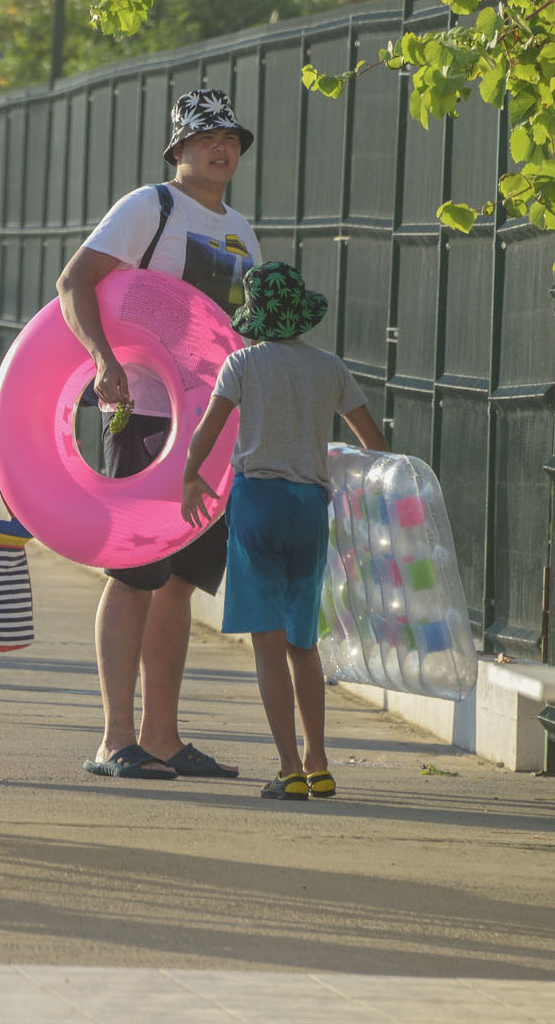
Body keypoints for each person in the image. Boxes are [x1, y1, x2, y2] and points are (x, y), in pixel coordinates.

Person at [57, 87, 259, 783]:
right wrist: (102, 362)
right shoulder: (151, 207)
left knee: (181, 581)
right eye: (207, 138)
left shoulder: (241, 229)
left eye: (230, 137)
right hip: (143, 411)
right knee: (135, 573)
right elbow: (74, 282)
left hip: (209, 431)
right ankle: (115, 739)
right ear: (179, 149)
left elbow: (241, 330)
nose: (222, 147)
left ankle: (163, 737)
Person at [181, 262, 387, 800]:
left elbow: (208, 429)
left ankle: (289, 768)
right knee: (303, 643)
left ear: (256, 316)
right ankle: (320, 762)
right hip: (308, 508)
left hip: (257, 506)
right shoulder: (330, 368)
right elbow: (374, 442)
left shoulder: (243, 363)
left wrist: (190, 478)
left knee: (267, 647)